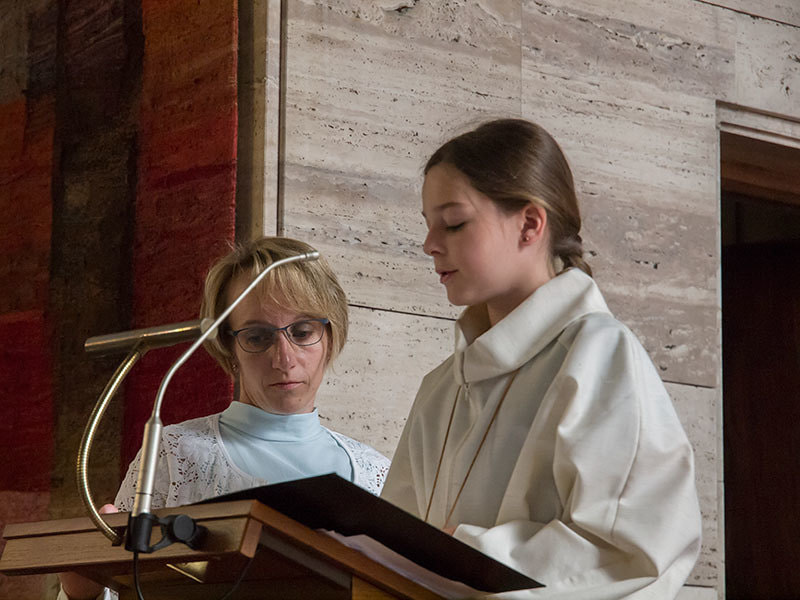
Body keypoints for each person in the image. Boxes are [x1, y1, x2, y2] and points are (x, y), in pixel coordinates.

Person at [381, 119, 702, 599]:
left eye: (454, 222)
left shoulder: (599, 356)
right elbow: (388, 551)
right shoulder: (441, 387)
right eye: (428, 224)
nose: (430, 244)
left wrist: (460, 554)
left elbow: (631, 556)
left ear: (530, 224)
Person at [59, 236, 390, 600]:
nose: (284, 358)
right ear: (229, 346)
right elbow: (118, 587)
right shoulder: (173, 453)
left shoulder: (378, 476)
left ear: (330, 335)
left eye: (302, 332)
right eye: (258, 337)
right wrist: (81, 594)